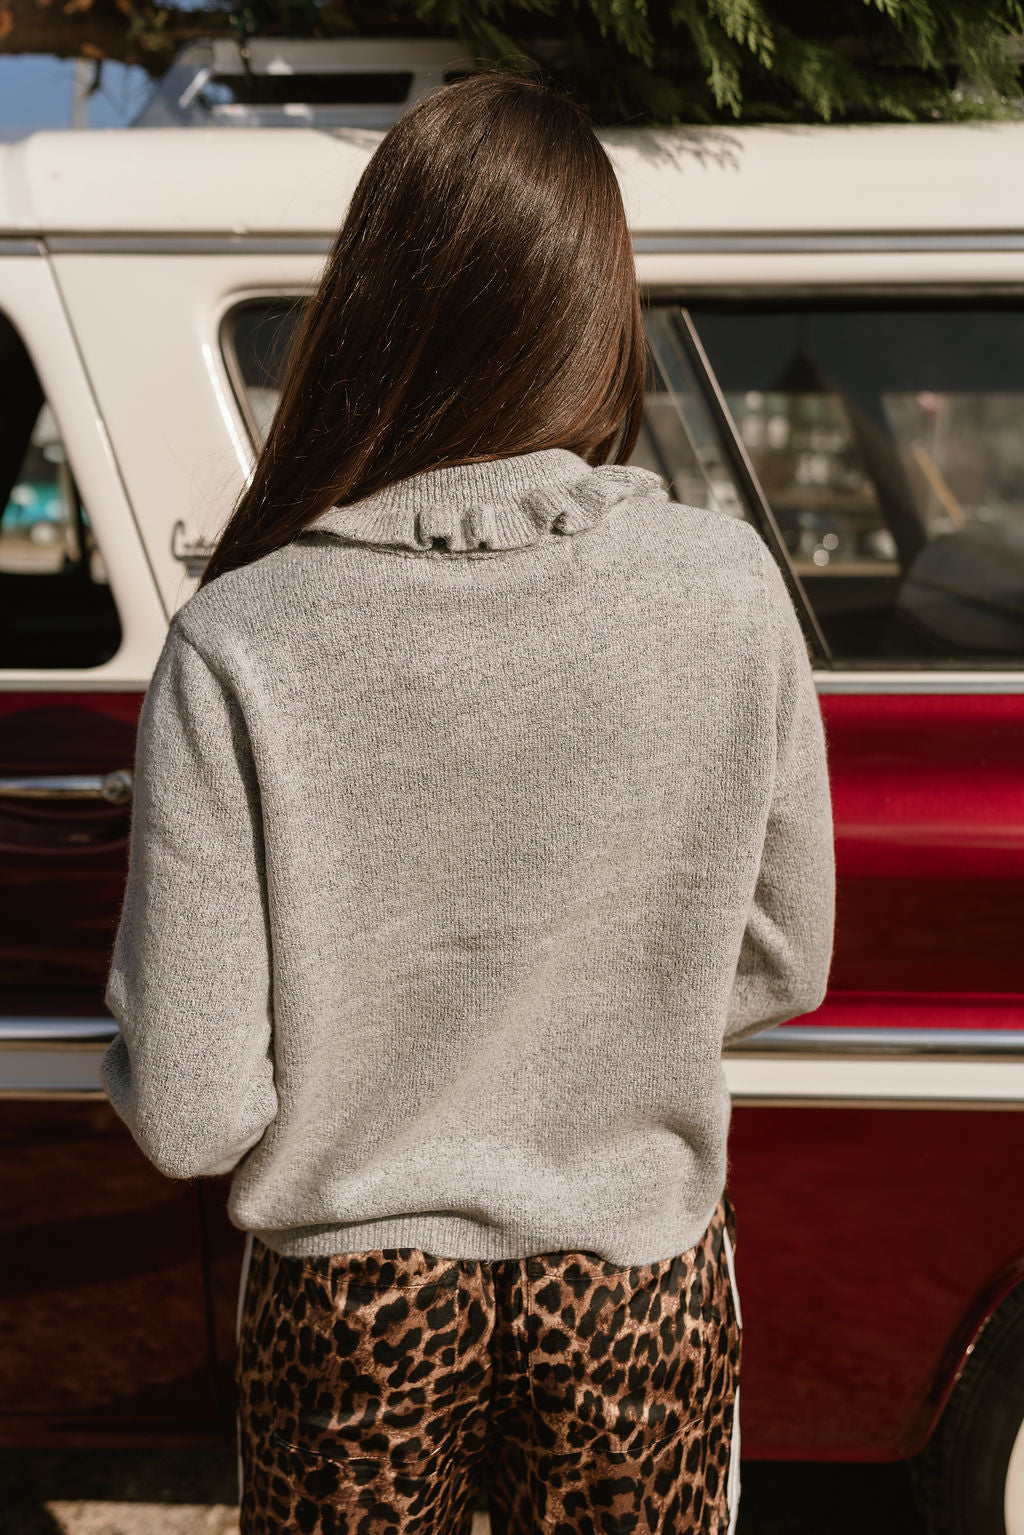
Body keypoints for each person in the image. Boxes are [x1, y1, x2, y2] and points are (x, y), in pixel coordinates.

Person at [101, 66, 836, 1535]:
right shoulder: (728, 593)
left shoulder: (240, 640)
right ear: (600, 313)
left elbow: (191, 1111)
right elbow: (784, 956)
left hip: (353, 1322)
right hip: (638, 1279)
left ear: (369, 313)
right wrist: (593, 1011)